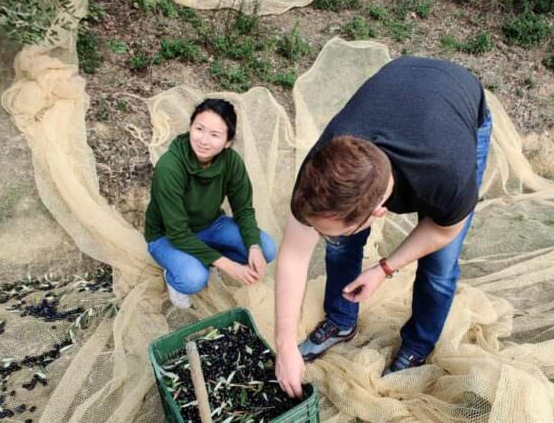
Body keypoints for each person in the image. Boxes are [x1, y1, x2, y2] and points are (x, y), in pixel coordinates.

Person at [273, 56, 492, 398]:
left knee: (439, 267)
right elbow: (293, 256)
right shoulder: (320, 170)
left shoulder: (447, 175)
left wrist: (384, 268)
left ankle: (417, 345)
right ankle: (341, 321)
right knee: (342, 244)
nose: (321, 237)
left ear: (377, 213)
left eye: (328, 231)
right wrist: (284, 344)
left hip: (458, 103)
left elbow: (443, 231)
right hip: (403, 81)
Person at [144, 98, 276, 309]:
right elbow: (177, 232)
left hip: (211, 225)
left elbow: (244, 209)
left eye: (215, 135)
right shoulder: (169, 167)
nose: (204, 140)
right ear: (190, 127)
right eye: (199, 129)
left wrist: (253, 246)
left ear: (228, 141)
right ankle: (176, 276)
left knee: (266, 248)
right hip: (167, 235)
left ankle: (205, 257)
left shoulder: (231, 161)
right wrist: (229, 266)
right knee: (194, 278)